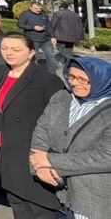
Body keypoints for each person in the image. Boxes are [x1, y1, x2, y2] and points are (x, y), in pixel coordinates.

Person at [0, 33, 64, 219]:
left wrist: (50, 157)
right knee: (16, 200)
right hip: (3, 148)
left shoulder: (47, 81)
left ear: (31, 53)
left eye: (16, 50)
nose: (9, 53)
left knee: (38, 204)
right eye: (5, 48)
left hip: (31, 151)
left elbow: (59, 123)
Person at [30, 57, 111, 219]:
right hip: (59, 193)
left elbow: (106, 156)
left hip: (93, 198)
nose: (74, 83)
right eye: (71, 76)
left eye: (83, 79)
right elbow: (42, 130)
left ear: (101, 80)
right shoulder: (62, 97)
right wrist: (39, 163)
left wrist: (50, 160)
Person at [18, 2, 57, 74]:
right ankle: (35, 73)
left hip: (46, 39)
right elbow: (20, 25)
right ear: (30, 8)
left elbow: (48, 25)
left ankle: (52, 74)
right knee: (33, 57)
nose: (39, 10)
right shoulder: (25, 14)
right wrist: (33, 27)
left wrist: (53, 36)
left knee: (50, 56)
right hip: (32, 39)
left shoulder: (43, 14)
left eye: (40, 8)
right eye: (36, 8)